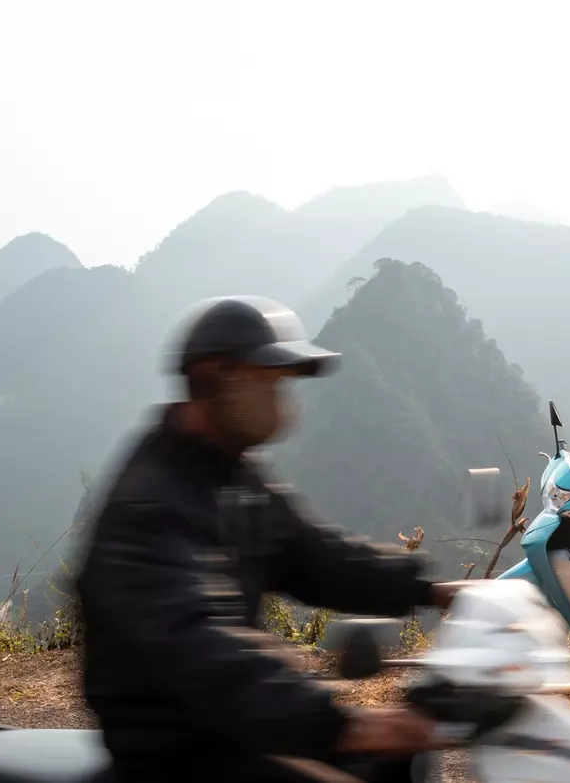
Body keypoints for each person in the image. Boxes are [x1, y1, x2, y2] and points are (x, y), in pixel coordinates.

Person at [75, 295, 463, 783]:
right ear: (221, 376)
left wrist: (432, 589)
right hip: (174, 753)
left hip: (230, 728)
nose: (282, 403)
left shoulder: (232, 477)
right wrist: (345, 723)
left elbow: (317, 556)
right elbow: (202, 649)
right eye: (271, 383)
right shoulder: (151, 503)